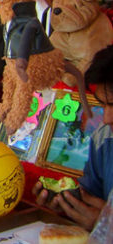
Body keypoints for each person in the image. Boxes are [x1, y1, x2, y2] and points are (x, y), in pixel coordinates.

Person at [33, 44, 113, 231]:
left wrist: (106, 229)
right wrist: (66, 205)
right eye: (103, 105)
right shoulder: (104, 137)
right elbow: (91, 201)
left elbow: (103, 221)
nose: (108, 118)